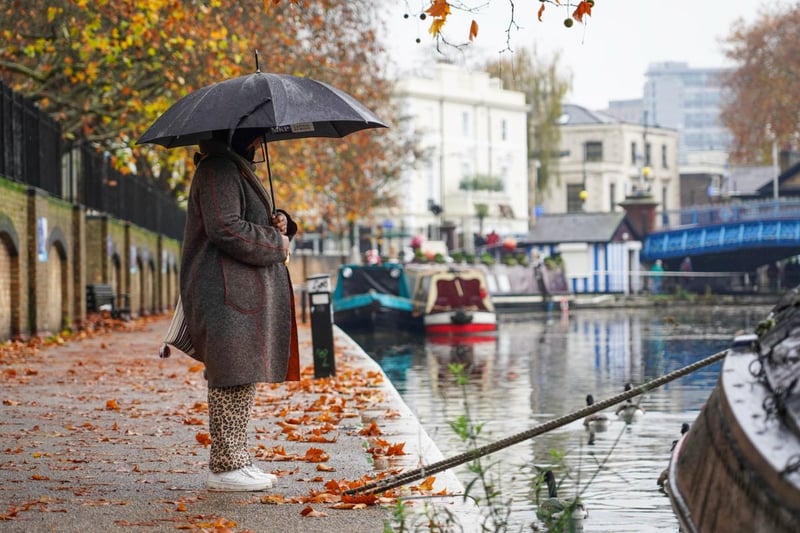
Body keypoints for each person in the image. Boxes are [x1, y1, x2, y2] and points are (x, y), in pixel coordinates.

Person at [180, 129, 300, 491]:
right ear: (239, 136)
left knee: (242, 373)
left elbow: (241, 220)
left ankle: (236, 459)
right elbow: (225, 227)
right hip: (225, 292)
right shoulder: (218, 168)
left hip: (237, 291)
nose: (260, 145)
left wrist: (279, 222)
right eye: (257, 138)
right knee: (230, 374)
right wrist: (276, 243)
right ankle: (225, 466)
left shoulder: (231, 167)